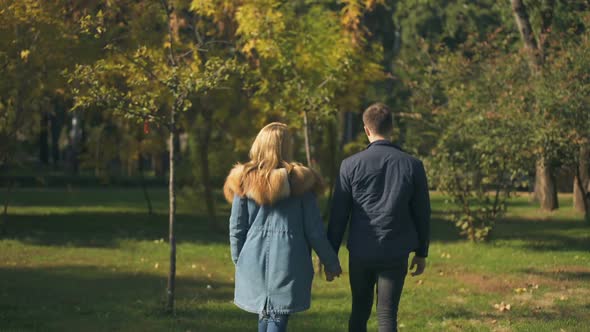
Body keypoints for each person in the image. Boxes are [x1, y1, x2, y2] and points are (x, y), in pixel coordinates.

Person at [223, 122, 342, 332]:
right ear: (286, 147)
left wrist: (239, 260)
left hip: (253, 261)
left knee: (266, 314)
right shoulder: (302, 183)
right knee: (277, 318)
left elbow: (237, 228)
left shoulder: (243, 181)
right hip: (289, 263)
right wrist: (330, 263)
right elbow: (314, 231)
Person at [327, 103, 431, 332]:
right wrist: (422, 252)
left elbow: (338, 215)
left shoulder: (350, 165)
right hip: (395, 251)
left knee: (359, 311)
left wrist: (330, 256)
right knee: (387, 316)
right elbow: (422, 213)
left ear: (366, 130)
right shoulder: (412, 165)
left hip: (361, 250)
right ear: (392, 128)